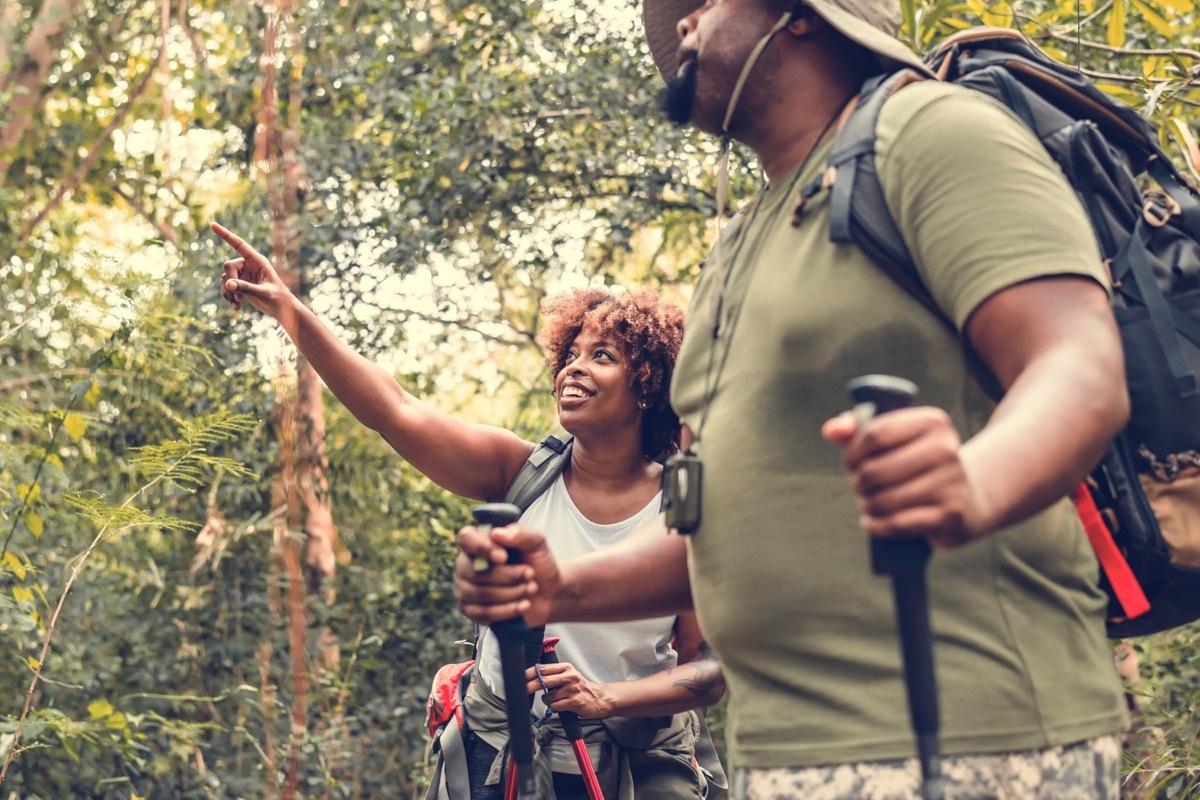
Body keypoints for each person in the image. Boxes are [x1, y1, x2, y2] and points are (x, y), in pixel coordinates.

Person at [454, 1, 1132, 798]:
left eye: (706, 4)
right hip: (780, 759)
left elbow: (1080, 364)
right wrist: (559, 588)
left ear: (802, 16)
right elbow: (712, 530)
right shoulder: (737, 246)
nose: (682, 26)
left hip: (972, 739)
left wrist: (972, 480)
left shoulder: (933, 133)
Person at [210, 222, 724, 800]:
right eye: (571, 354)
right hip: (499, 751)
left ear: (649, 386)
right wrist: (289, 310)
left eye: (601, 356)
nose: (573, 369)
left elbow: (707, 671)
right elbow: (395, 410)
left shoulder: (680, 502)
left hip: (629, 758)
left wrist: (605, 698)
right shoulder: (518, 471)